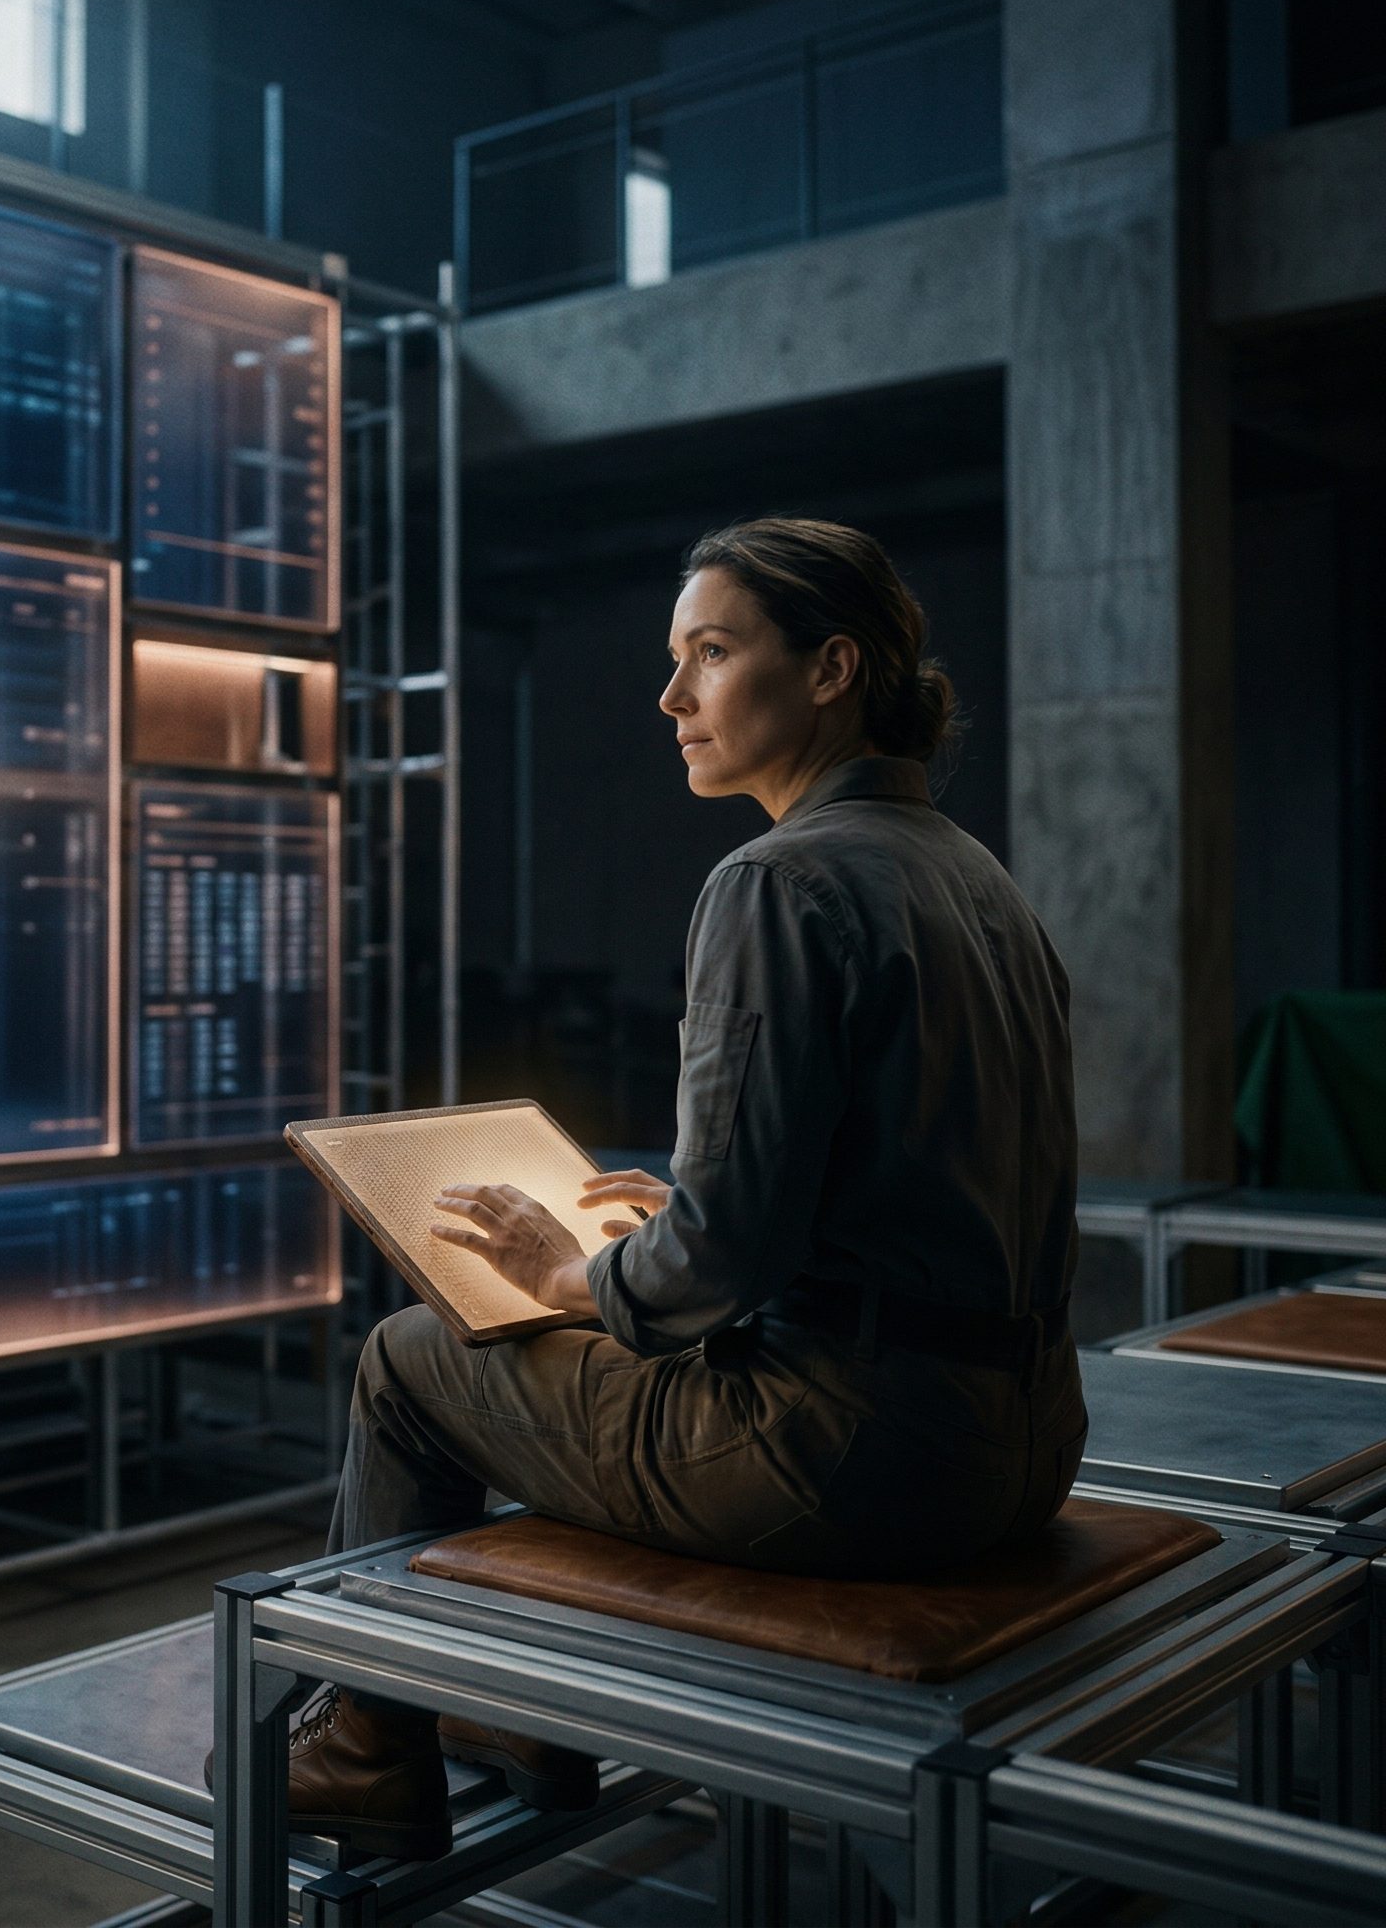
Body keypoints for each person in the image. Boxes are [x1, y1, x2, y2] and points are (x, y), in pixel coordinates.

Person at [270, 516, 1087, 1860]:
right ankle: (518, 1706)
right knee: (571, 1366)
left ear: (831, 670)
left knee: (422, 1360)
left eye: (711, 653)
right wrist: (688, 1217)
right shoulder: (978, 880)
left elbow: (714, 1272)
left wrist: (569, 1272)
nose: (671, 698)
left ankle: (367, 1741)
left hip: (851, 1461)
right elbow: (900, 1197)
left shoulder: (778, 879)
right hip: (1021, 1442)